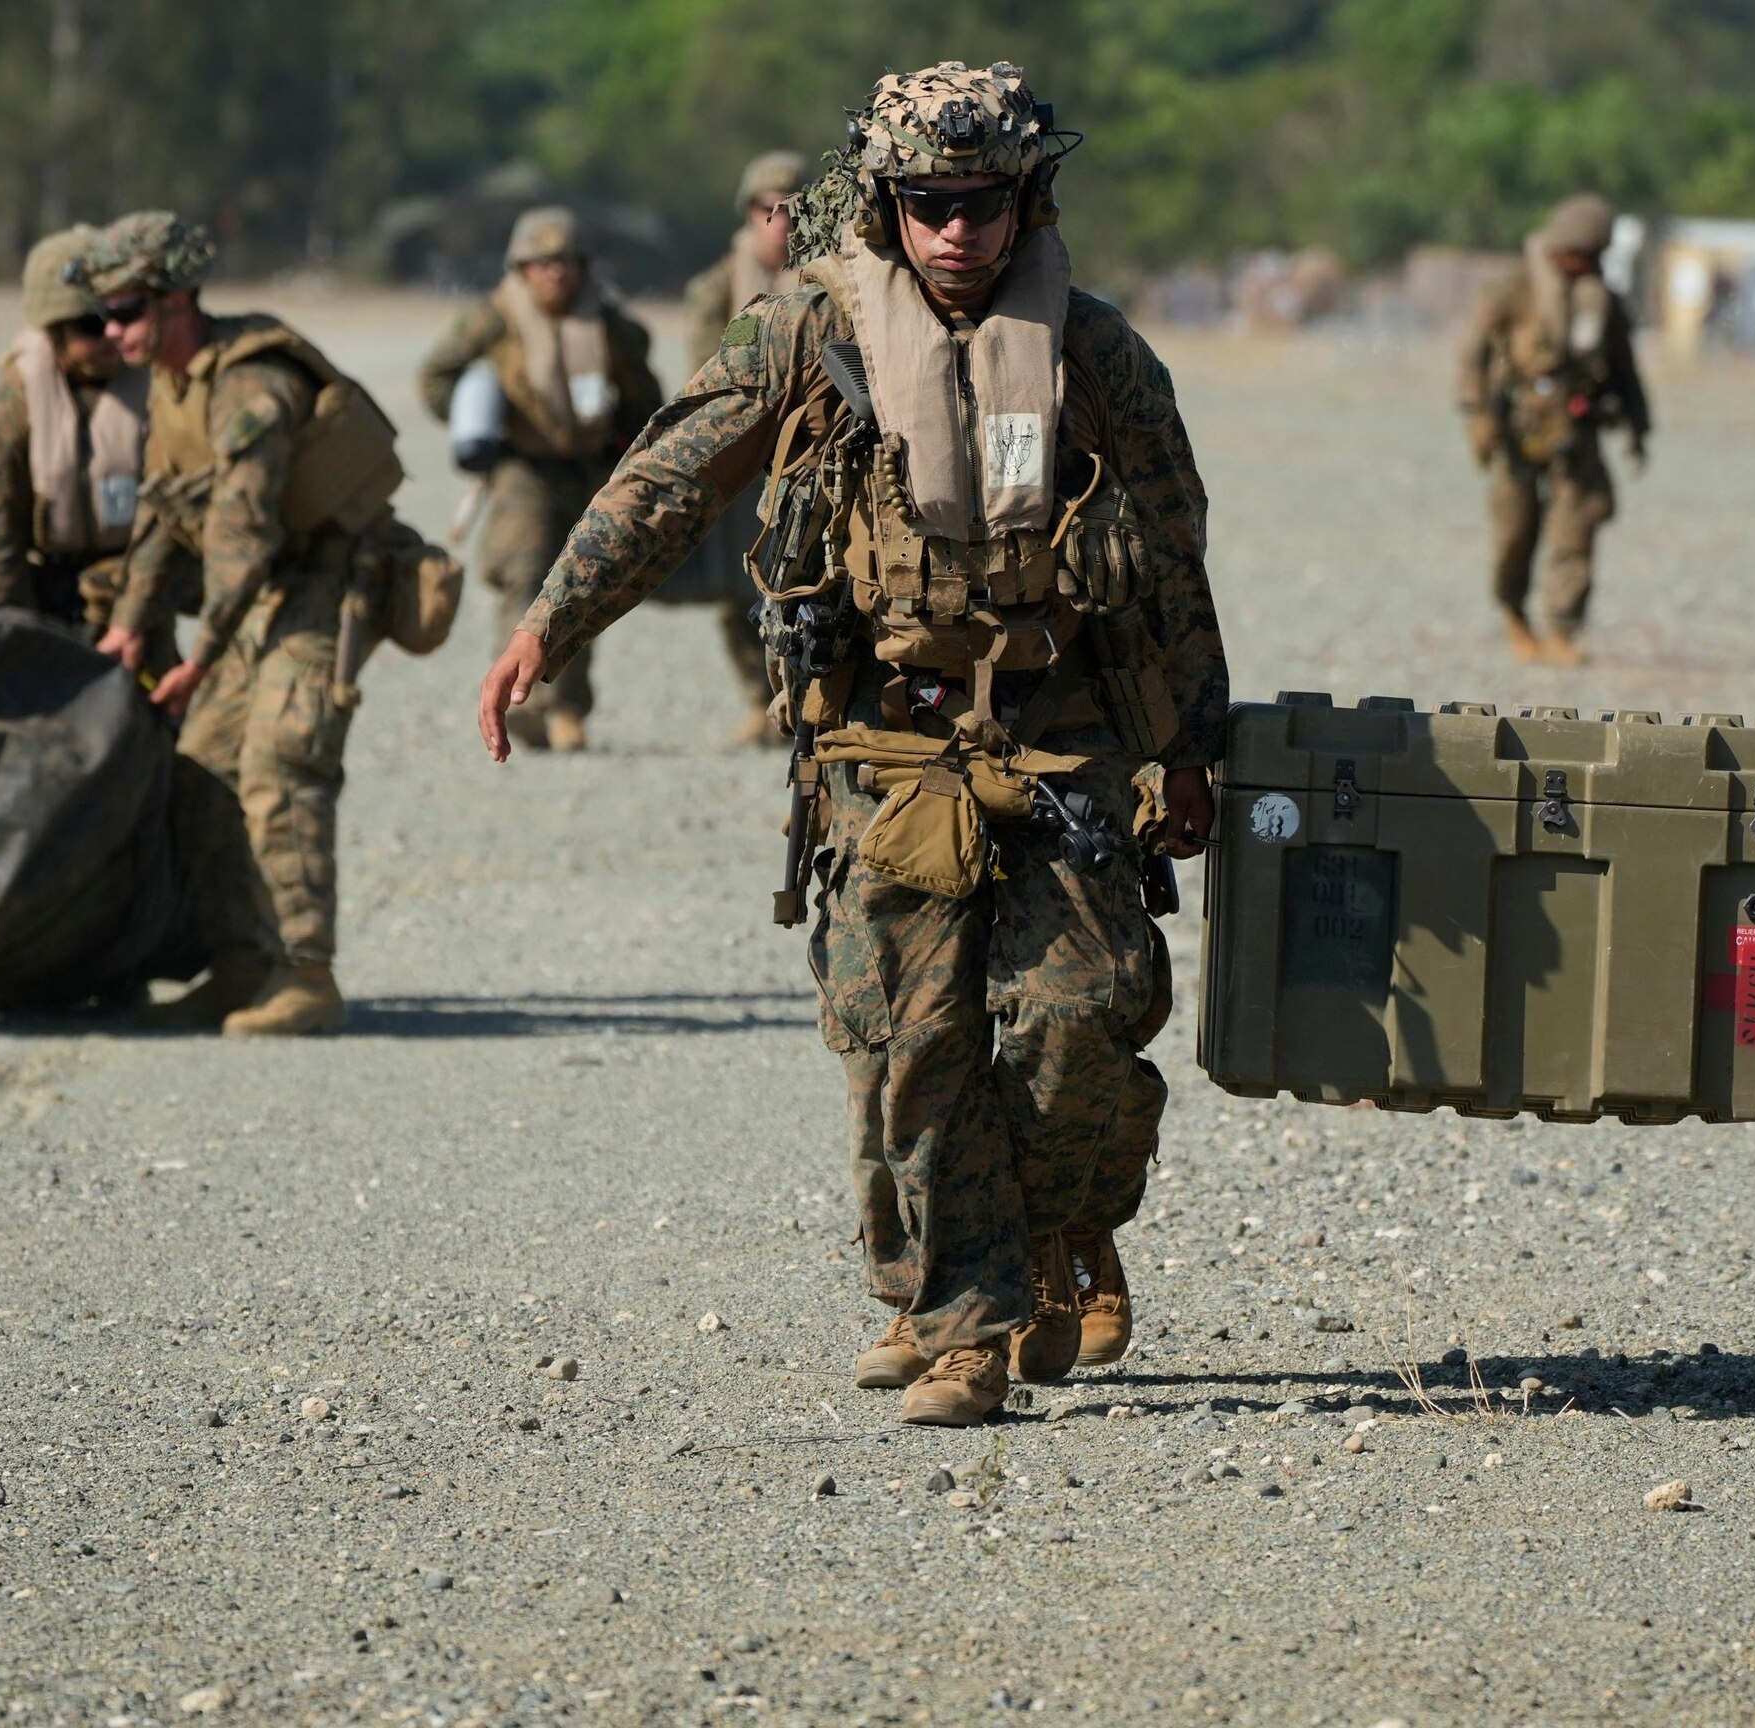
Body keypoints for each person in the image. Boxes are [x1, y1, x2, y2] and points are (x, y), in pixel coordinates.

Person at [473, 62, 1228, 1426]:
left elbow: (1173, 553)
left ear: (1027, 200)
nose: (956, 231)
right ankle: (962, 1329)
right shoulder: (806, 331)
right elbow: (665, 478)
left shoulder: (1095, 352)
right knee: (911, 1049)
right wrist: (549, 627)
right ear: (886, 202)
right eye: (928, 203)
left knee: (1081, 1023)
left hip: (1060, 739)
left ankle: (1067, 1230)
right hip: (884, 743)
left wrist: (1196, 748)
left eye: (984, 203)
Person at [82, 209, 396, 1036]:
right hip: (253, 595)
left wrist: (199, 658)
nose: (109, 330)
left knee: (282, 762)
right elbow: (162, 515)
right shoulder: (173, 380)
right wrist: (128, 624)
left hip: (319, 586)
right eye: (101, 315)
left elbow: (241, 536)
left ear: (177, 298)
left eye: (124, 311)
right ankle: (240, 963)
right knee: (202, 768)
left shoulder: (252, 385)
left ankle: (306, 978)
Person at [416, 208, 662, 752]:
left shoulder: (610, 325)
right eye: (542, 263)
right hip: (522, 470)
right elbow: (436, 375)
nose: (555, 274)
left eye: (567, 262)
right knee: (524, 578)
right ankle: (525, 701)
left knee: (583, 586)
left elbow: (647, 395)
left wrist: (626, 444)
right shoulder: (494, 317)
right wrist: (474, 423)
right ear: (521, 268)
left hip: (593, 471)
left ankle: (568, 709)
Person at [1458, 192, 1648, 665]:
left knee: (1577, 528)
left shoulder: (1603, 302)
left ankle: (1562, 628)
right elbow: (1472, 354)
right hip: (1518, 431)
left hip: (1576, 431)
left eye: (1593, 257)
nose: (1584, 265)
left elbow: (1626, 371)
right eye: (1577, 254)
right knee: (1514, 528)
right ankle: (1514, 618)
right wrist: (1478, 412)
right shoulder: (1515, 288)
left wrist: (1638, 427)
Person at [661, 149, 812, 743]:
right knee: (736, 586)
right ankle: (760, 696)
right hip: (745, 456)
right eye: (765, 209)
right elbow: (706, 370)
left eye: (791, 208)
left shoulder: (838, 278)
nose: (780, 221)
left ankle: (806, 702)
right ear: (748, 214)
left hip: (810, 452)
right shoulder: (718, 287)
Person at [0, 225, 160, 658]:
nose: (110, 335)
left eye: (118, 316)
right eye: (90, 324)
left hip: (128, 607)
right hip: (26, 603)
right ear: (52, 330)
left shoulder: (161, 399)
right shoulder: (3, 420)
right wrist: (13, 646)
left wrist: (135, 609)